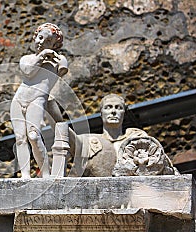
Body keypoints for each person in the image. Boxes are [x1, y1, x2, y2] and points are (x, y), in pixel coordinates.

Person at [10, 23, 68, 178]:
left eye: (48, 41)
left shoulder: (59, 60)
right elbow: (29, 72)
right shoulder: (27, 59)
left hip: (38, 98)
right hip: (19, 99)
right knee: (21, 139)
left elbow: (61, 71)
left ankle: (46, 175)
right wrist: (42, 56)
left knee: (34, 137)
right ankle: (25, 175)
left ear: (54, 44)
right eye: (40, 37)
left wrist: (50, 56)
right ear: (35, 37)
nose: (42, 42)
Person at [74, 94, 148, 177]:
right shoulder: (87, 141)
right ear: (101, 113)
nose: (113, 111)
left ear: (124, 113)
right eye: (108, 107)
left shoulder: (135, 138)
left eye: (118, 108)